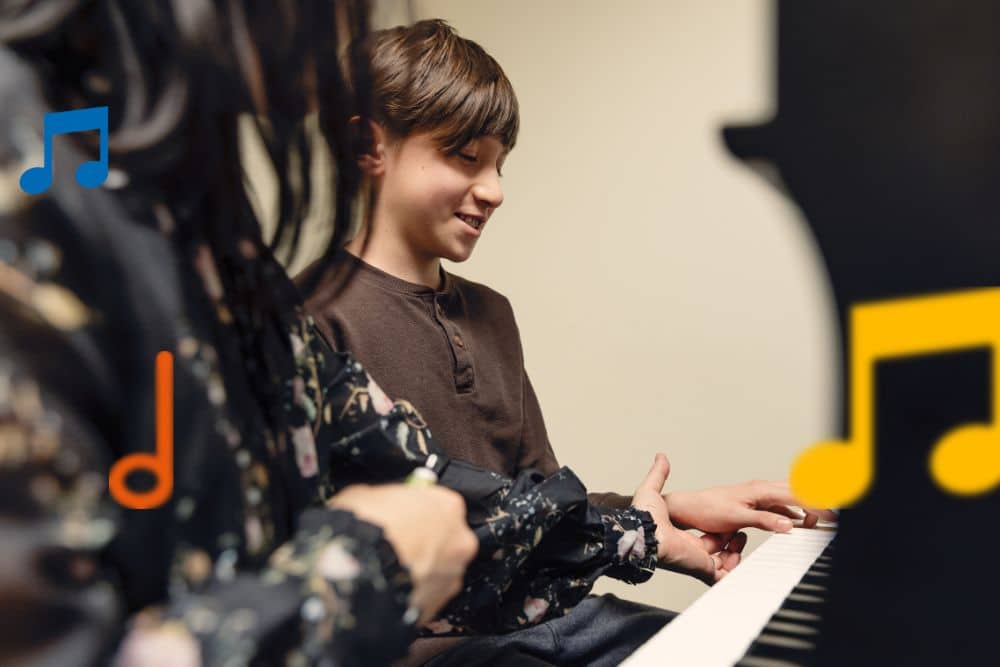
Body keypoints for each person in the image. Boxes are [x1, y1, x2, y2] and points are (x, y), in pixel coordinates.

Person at [0, 4, 740, 666]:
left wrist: (640, 531)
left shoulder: (207, 247)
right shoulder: (37, 169)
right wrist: (367, 568)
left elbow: (432, 483)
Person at [302, 19, 831, 666]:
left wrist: (674, 509)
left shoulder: (492, 315)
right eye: (467, 157)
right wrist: (638, 537)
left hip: (550, 617)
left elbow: (540, 499)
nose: (494, 189)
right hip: (428, 647)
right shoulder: (310, 323)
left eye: (500, 164)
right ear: (369, 145)